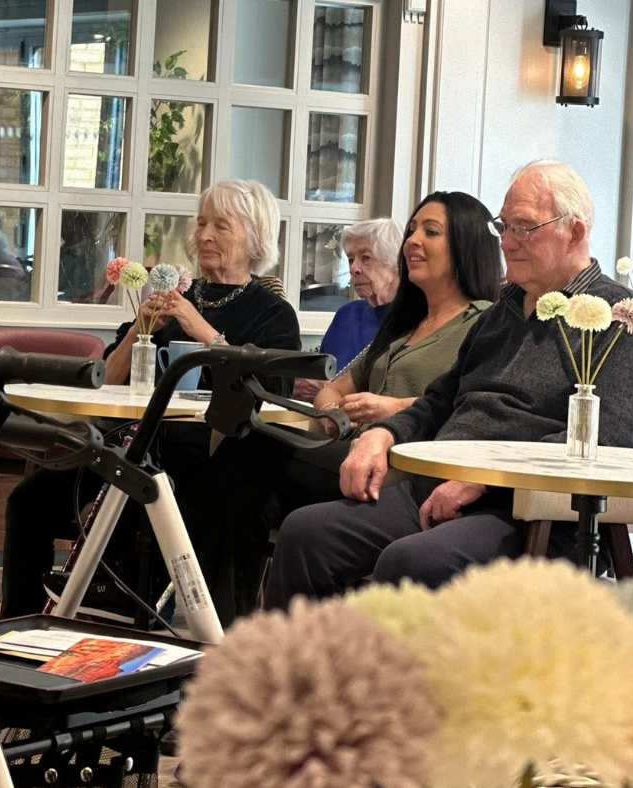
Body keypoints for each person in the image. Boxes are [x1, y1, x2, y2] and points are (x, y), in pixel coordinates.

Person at [264, 160, 633, 610]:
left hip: (530, 511)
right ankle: (293, 679)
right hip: (438, 486)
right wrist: (385, 434)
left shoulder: (618, 317)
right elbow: (440, 399)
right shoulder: (504, 310)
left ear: (574, 233)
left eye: (523, 227)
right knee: (307, 534)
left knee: (411, 562)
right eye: (504, 226)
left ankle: (388, 682)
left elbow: (609, 437)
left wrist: (483, 481)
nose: (506, 242)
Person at [177, 190, 503, 625]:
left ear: (467, 244)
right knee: (250, 497)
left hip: (403, 466)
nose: (413, 241)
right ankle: (236, 636)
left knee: (250, 447)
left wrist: (393, 408)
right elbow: (332, 390)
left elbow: (463, 403)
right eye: (411, 230)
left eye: (431, 231)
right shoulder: (404, 327)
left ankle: (222, 630)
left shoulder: (481, 321)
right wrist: (338, 415)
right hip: (347, 453)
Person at [1, 179, 301, 621]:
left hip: (209, 458)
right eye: (200, 224)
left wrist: (202, 330)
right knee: (28, 500)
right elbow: (107, 377)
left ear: (255, 235)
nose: (204, 236)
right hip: (131, 445)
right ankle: (17, 626)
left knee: (187, 501)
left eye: (221, 225)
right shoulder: (172, 298)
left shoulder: (272, 313)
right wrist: (143, 326)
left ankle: (138, 602)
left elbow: (272, 399)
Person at [293, 217, 403, 402]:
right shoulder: (347, 314)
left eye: (365, 258)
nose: (354, 268)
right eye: (351, 259)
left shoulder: (413, 319)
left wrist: (329, 392)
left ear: (394, 263)